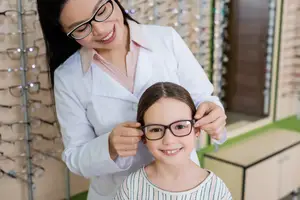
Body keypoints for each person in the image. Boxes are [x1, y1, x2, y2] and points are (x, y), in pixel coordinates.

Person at [36, 0, 228, 199]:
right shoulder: (68, 77)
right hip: (116, 192)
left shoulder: (166, 39)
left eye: (101, 10)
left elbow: (204, 99)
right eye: (82, 27)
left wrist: (213, 113)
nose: (100, 29)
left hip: (183, 189)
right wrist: (109, 146)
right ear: (64, 32)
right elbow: (75, 157)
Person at [114, 82, 232, 200]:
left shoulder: (216, 191)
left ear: (196, 130)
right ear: (143, 136)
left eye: (180, 127)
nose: (169, 140)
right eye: (156, 129)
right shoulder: (132, 188)